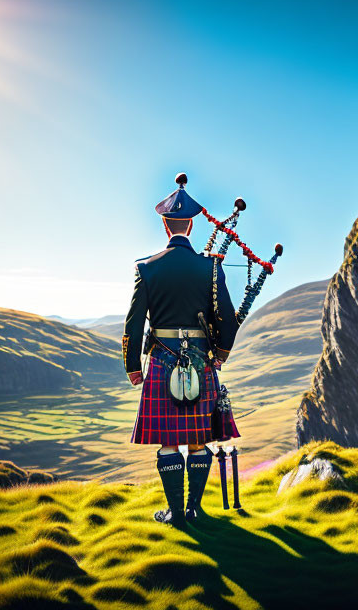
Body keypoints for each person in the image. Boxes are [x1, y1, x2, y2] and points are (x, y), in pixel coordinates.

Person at [123, 172, 239, 526]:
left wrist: (133, 366)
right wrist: (219, 354)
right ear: (190, 225)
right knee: (199, 439)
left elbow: (133, 323)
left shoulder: (146, 268)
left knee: (169, 441)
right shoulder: (211, 267)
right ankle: (196, 510)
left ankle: (175, 514)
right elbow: (228, 319)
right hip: (201, 361)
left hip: (160, 359)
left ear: (166, 225)